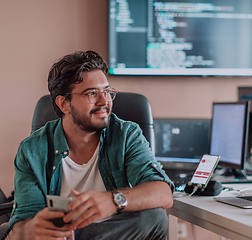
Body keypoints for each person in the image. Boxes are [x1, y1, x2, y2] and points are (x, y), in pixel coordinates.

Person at [6, 50, 174, 240]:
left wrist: (113, 201)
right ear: (64, 104)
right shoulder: (32, 150)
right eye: (92, 93)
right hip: (60, 235)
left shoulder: (125, 134)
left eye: (107, 92)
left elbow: (163, 192)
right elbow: (22, 224)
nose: (105, 101)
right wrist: (32, 229)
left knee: (154, 218)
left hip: (116, 232)